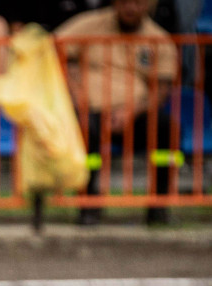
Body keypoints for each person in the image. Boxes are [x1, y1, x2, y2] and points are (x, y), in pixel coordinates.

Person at [55, 0, 179, 226]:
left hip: (135, 113)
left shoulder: (159, 39)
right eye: (124, 2)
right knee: (82, 130)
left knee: (167, 128)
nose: (130, 8)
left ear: (149, 5)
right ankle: (89, 203)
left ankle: (159, 202)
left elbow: (161, 88)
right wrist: (74, 89)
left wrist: (131, 111)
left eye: (138, 3)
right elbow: (53, 48)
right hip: (90, 111)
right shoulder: (89, 25)